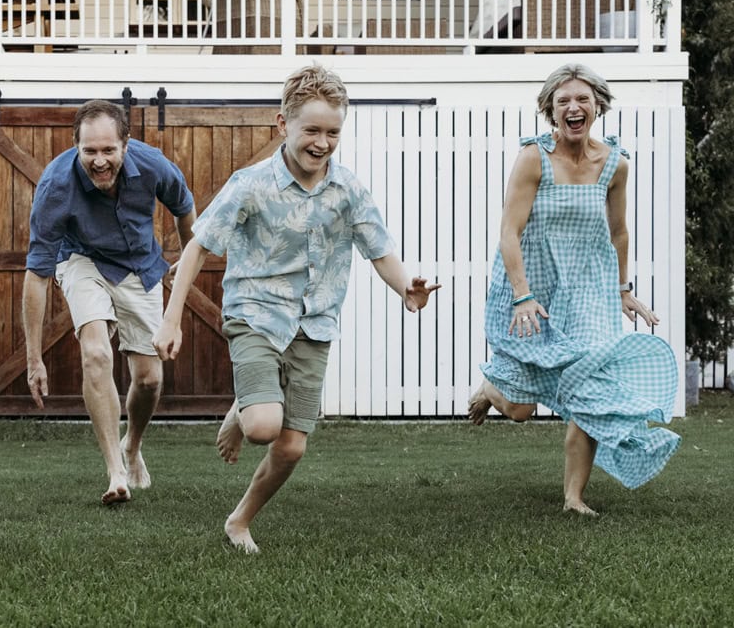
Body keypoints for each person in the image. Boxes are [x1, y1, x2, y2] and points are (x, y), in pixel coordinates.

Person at [153, 65, 440, 553]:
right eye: (312, 130)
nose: (322, 143)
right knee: (265, 426)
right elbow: (198, 248)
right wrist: (171, 318)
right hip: (256, 314)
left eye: (333, 133)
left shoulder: (347, 191)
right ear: (282, 124)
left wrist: (404, 289)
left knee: (292, 447)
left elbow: (379, 249)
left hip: (315, 323)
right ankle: (247, 409)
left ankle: (238, 520)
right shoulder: (251, 185)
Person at [467, 63, 681, 516]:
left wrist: (623, 290)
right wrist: (523, 294)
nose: (573, 107)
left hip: (590, 291)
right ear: (550, 111)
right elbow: (510, 230)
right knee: (521, 409)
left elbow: (618, 232)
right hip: (534, 286)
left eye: (582, 98)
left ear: (597, 105)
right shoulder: (533, 158)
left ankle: (573, 497)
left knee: (589, 386)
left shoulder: (615, 165)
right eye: (563, 100)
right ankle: (491, 388)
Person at [23, 99, 196, 505]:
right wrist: (34, 358)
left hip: (139, 264)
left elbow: (186, 213)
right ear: (76, 146)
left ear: (126, 144)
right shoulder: (55, 186)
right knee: (96, 353)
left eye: (108, 151)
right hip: (81, 259)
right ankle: (115, 472)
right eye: (89, 151)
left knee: (150, 378)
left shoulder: (153, 166)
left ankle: (132, 445)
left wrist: (185, 271)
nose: (99, 161)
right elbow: (37, 275)